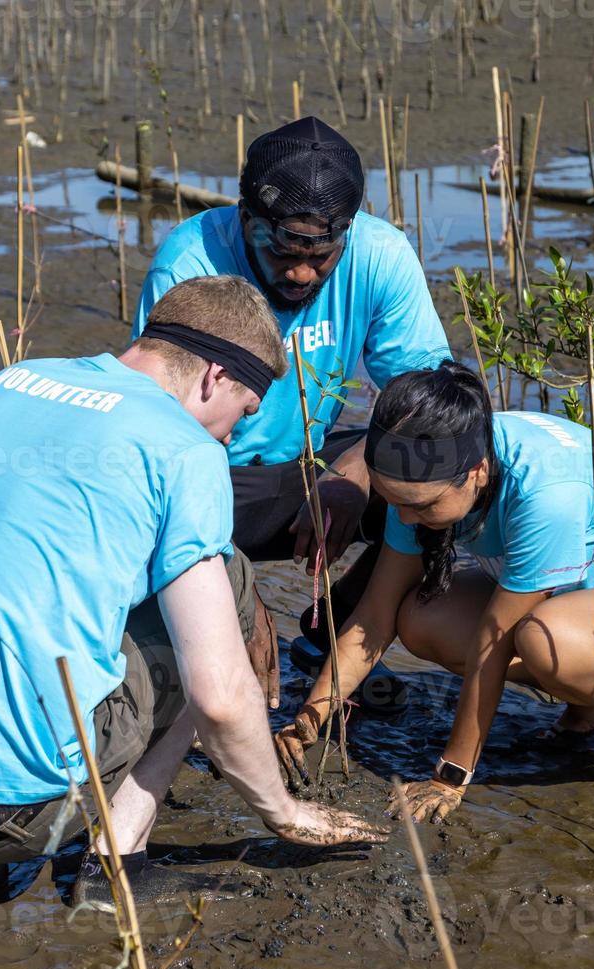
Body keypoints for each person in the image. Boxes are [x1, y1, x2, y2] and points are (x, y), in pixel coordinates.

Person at [0, 276, 384, 905]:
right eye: (245, 410)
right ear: (214, 377)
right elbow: (219, 698)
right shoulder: (185, 450)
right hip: (10, 809)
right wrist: (284, 813)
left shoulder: (9, 383)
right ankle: (115, 866)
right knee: (227, 579)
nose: (234, 436)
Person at [275, 362, 594, 823]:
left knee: (547, 638)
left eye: (421, 506)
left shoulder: (544, 491)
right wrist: (312, 716)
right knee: (422, 617)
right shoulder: (426, 476)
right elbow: (373, 617)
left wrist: (452, 775)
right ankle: (590, 707)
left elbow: (495, 638)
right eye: (392, 499)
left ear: (478, 472)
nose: (402, 519)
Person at [132, 116, 451, 681]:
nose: (302, 273)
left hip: (313, 463)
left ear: (347, 233)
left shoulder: (381, 254)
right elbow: (164, 445)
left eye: (322, 255)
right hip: (213, 477)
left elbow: (428, 396)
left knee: (440, 472)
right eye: (282, 251)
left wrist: (357, 469)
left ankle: (338, 635)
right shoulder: (190, 263)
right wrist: (238, 589)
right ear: (247, 217)